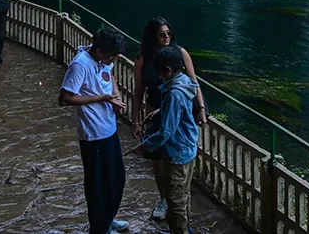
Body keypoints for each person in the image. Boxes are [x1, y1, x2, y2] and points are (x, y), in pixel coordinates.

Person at [132, 18, 208, 221]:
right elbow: (138, 91)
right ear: (152, 37)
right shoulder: (143, 58)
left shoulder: (179, 53)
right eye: (161, 34)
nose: (167, 38)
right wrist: (136, 121)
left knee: (176, 157)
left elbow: (193, 82)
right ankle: (165, 200)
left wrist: (201, 108)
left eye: (169, 33)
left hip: (176, 109)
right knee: (158, 161)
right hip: (155, 108)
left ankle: (178, 206)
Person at [60, 28, 130, 234]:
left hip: (109, 129)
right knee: (98, 184)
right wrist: (101, 98)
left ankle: (108, 218)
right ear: (99, 51)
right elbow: (65, 98)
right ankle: (100, 228)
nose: (114, 59)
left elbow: (110, 76)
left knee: (116, 179)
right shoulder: (80, 65)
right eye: (112, 55)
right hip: (93, 135)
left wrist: (115, 96)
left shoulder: (103, 60)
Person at [140, 45, 200, 234]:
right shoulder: (184, 82)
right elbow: (179, 111)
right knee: (184, 194)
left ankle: (180, 231)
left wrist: (144, 146)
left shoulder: (174, 93)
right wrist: (159, 111)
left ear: (167, 70)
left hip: (178, 152)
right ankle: (185, 228)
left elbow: (166, 132)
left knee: (175, 200)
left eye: (160, 73)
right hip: (188, 147)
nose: (159, 77)